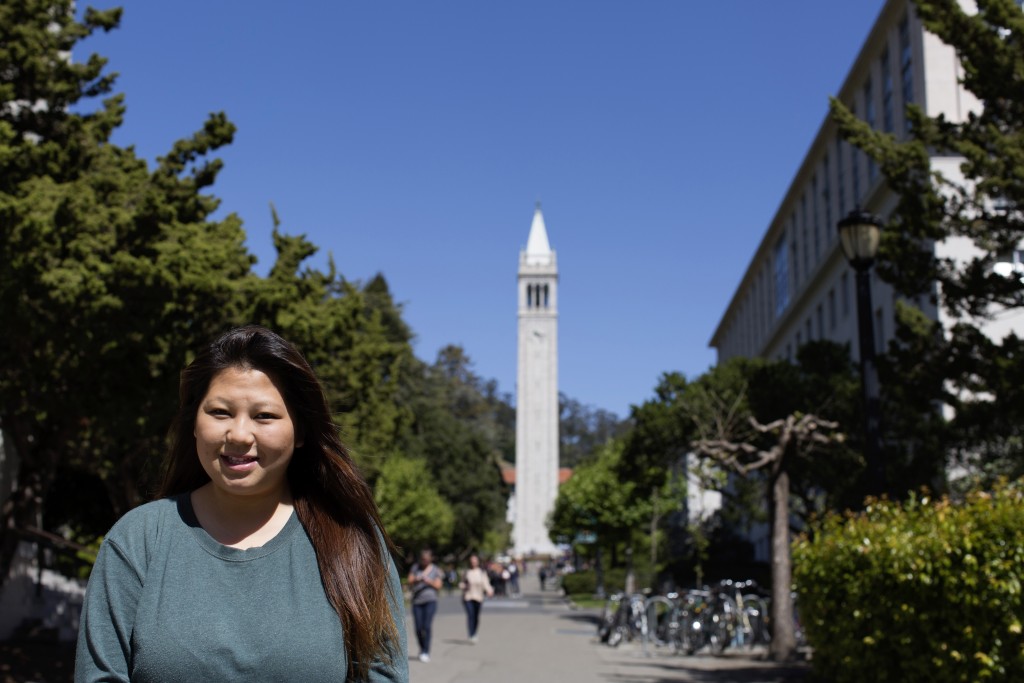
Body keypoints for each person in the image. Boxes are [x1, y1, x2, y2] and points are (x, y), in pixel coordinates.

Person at [74, 325, 408, 682]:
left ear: (301, 432)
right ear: (193, 424)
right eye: (220, 412)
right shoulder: (138, 540)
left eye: (264, 416)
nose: (239, 435)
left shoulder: (352, 541)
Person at [407, 548, 444, 662]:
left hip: (430, 601)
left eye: (427, 559)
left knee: (426, 627)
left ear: (430, 559)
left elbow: (438, 586)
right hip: (417, 601)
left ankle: (426, 651)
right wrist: (418, 579)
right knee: (418, 628)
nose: (425, 561)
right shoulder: (416, 568)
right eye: (423, 559)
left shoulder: (435, 570)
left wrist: (429, 581)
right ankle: (422, 648)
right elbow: (410, 580)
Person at [458, 554, 494, 643]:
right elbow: (461, 583)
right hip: (468, 596)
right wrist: (464, 586)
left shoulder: (481, 572)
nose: (473, 563)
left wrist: (489, 590)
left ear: (477, 562)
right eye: (472, 561)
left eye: (475, 561)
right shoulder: (466, 572)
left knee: (476, 616)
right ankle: (471, 634)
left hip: (478, 597)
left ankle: (474, 632)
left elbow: (486, 583)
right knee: (470, 615)